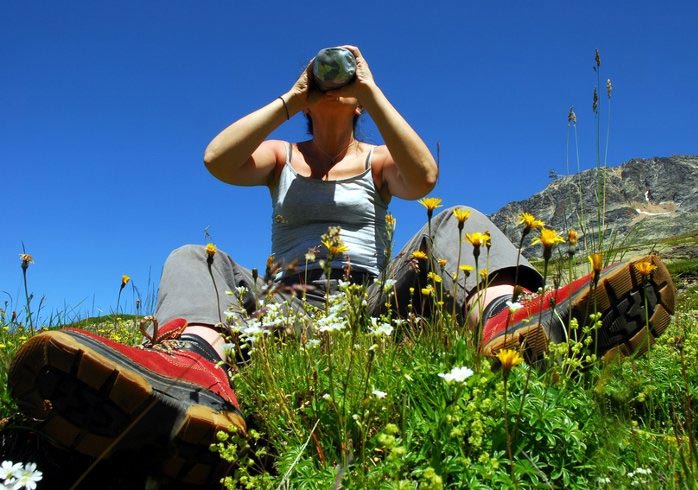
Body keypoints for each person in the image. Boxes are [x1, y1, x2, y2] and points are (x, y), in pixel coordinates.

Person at [8, 46, 675, 486]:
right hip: (279, 301)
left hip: (368, 303)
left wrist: (374, 92)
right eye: (328, 72)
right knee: (193, 254)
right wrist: (289, 99)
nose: (335, 80)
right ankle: (192, 368)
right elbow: (216, 160)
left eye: (344, 76)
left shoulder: (376, 160)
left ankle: (508, 320)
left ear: (358, 95)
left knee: (453, 217)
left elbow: (426, 176)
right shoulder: (283, 155)